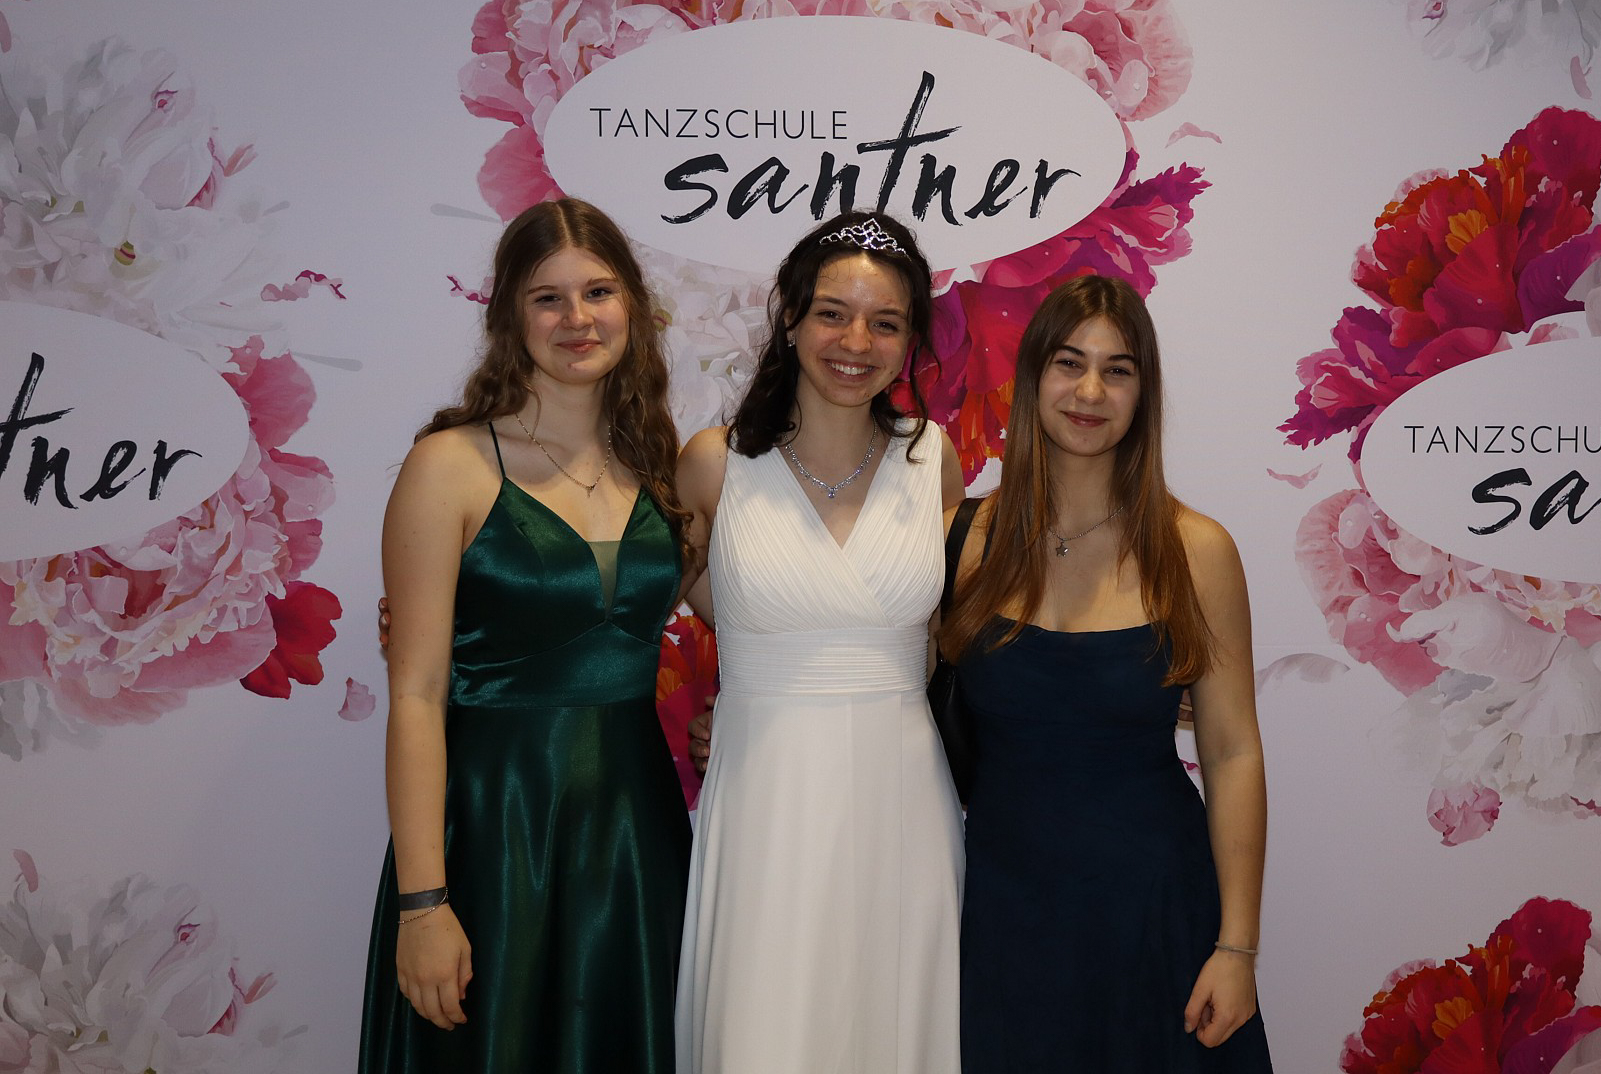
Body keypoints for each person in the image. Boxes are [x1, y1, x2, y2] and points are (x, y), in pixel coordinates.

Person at [357, 198, 693, 1074]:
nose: (577, 318)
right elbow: (416, 694)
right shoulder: (449, 465)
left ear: (633, 305)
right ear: (511, 313)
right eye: (548, 298)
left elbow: (747, 606)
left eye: (598, 292)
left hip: (633, 836)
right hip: (492, 833)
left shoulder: (662, 467)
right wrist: (422, 903)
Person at [939, 275, 1274, 1073]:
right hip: (1002, 916)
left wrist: (1237, 948)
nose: (1090, 391)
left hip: (1156, 914)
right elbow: (889, 695)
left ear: (1142, 393)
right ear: (1032, 377)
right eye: (1069, 363)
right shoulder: (959, 540)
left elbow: (1232, 752)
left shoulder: (1196, 550)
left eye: (1117, 370)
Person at [673, 210, 965, 1074]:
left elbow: (960, 634)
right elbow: (620, 602)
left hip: (902, 804)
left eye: (886, 322)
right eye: (833, 313)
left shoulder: (935, 460)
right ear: (792, 317)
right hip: (767, 801)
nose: (856, 342)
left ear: (910, 341)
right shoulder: (713, 463)